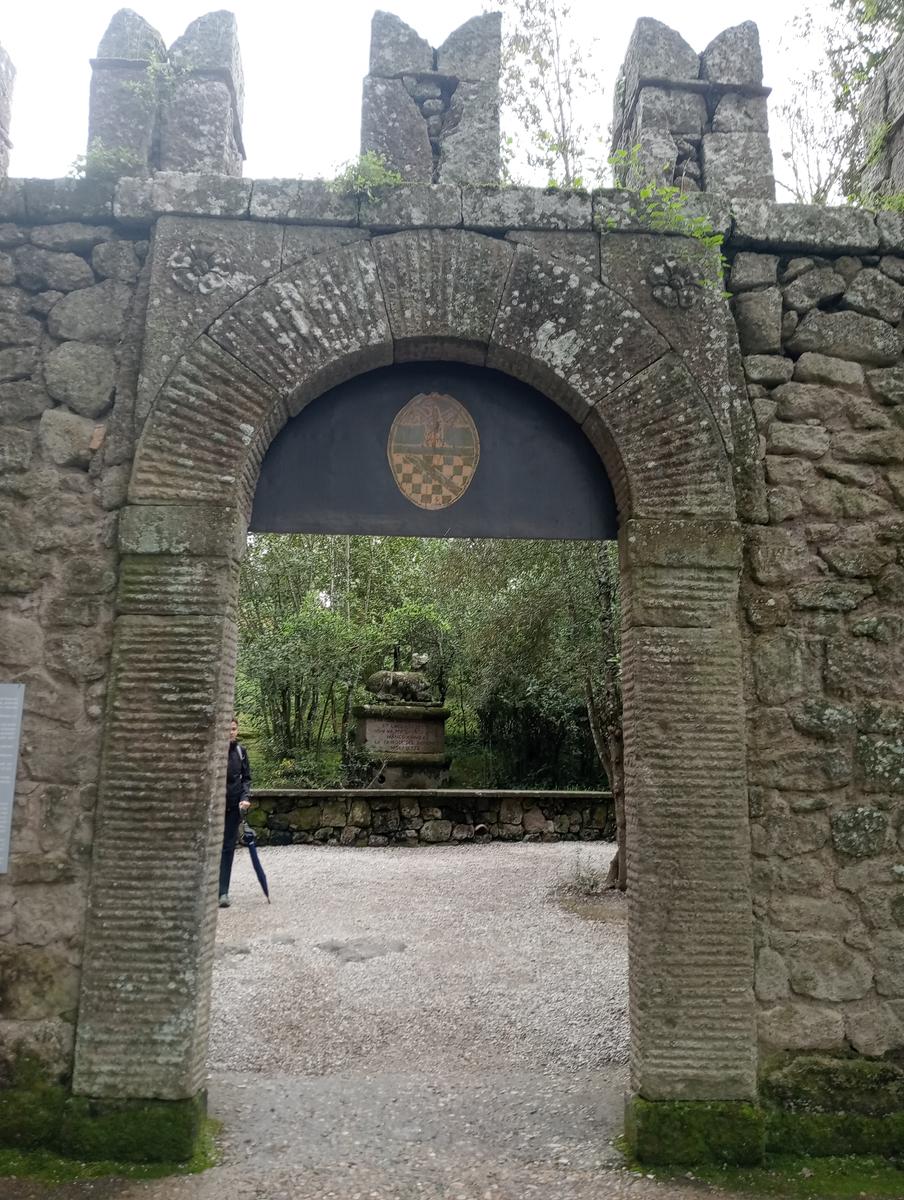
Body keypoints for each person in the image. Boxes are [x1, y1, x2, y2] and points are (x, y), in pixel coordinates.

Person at [219, 717, 251, 908]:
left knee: (228, 848)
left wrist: (245, 798)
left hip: (233, 808)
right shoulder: (214, 752)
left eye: (233, 729)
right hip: (215, 810)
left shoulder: (241, 752)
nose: (231, 732)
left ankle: (223, 891)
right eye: (228, 729)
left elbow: (246, 778)